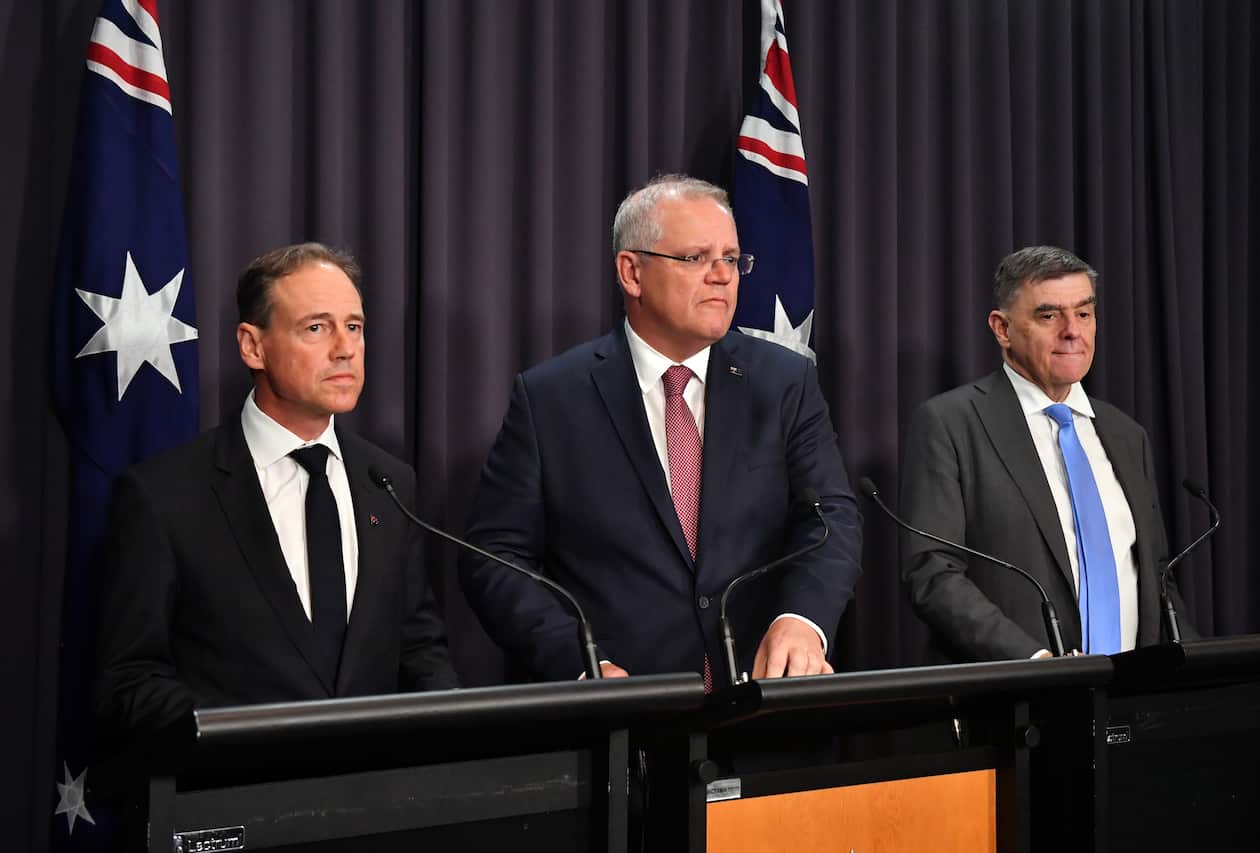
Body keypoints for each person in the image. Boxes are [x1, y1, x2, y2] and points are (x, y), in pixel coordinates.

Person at [460, 175, 862, 685]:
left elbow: (831, 519)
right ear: (632, 272)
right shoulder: (551, 399)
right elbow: (496, 557)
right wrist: (578, 662)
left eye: (732, 259)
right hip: (623, 711)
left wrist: (802, 621)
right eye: (696, 258)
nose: (723, 276)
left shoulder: (785, 382)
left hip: (760, 701)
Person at [97, 243, 457, 737]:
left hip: (374, 782)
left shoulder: (389, 483)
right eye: (316, 328)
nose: (345, 348)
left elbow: (418, 650)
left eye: (354, 326)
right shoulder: (164, 495)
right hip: (236, 779)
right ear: (253, 346)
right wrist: (248, 738)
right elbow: (130, 680)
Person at [900, 245, 1196, 662]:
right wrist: (1037, 662)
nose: (1072, 331)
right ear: (1002, 329)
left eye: (1084, 313)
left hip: (1134, 689)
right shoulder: (951, 424)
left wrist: (1193, 666)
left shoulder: (1127, 435)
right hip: (1019, 689)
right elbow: (932, 571)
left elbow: (1158, 575)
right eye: (1049, 316)